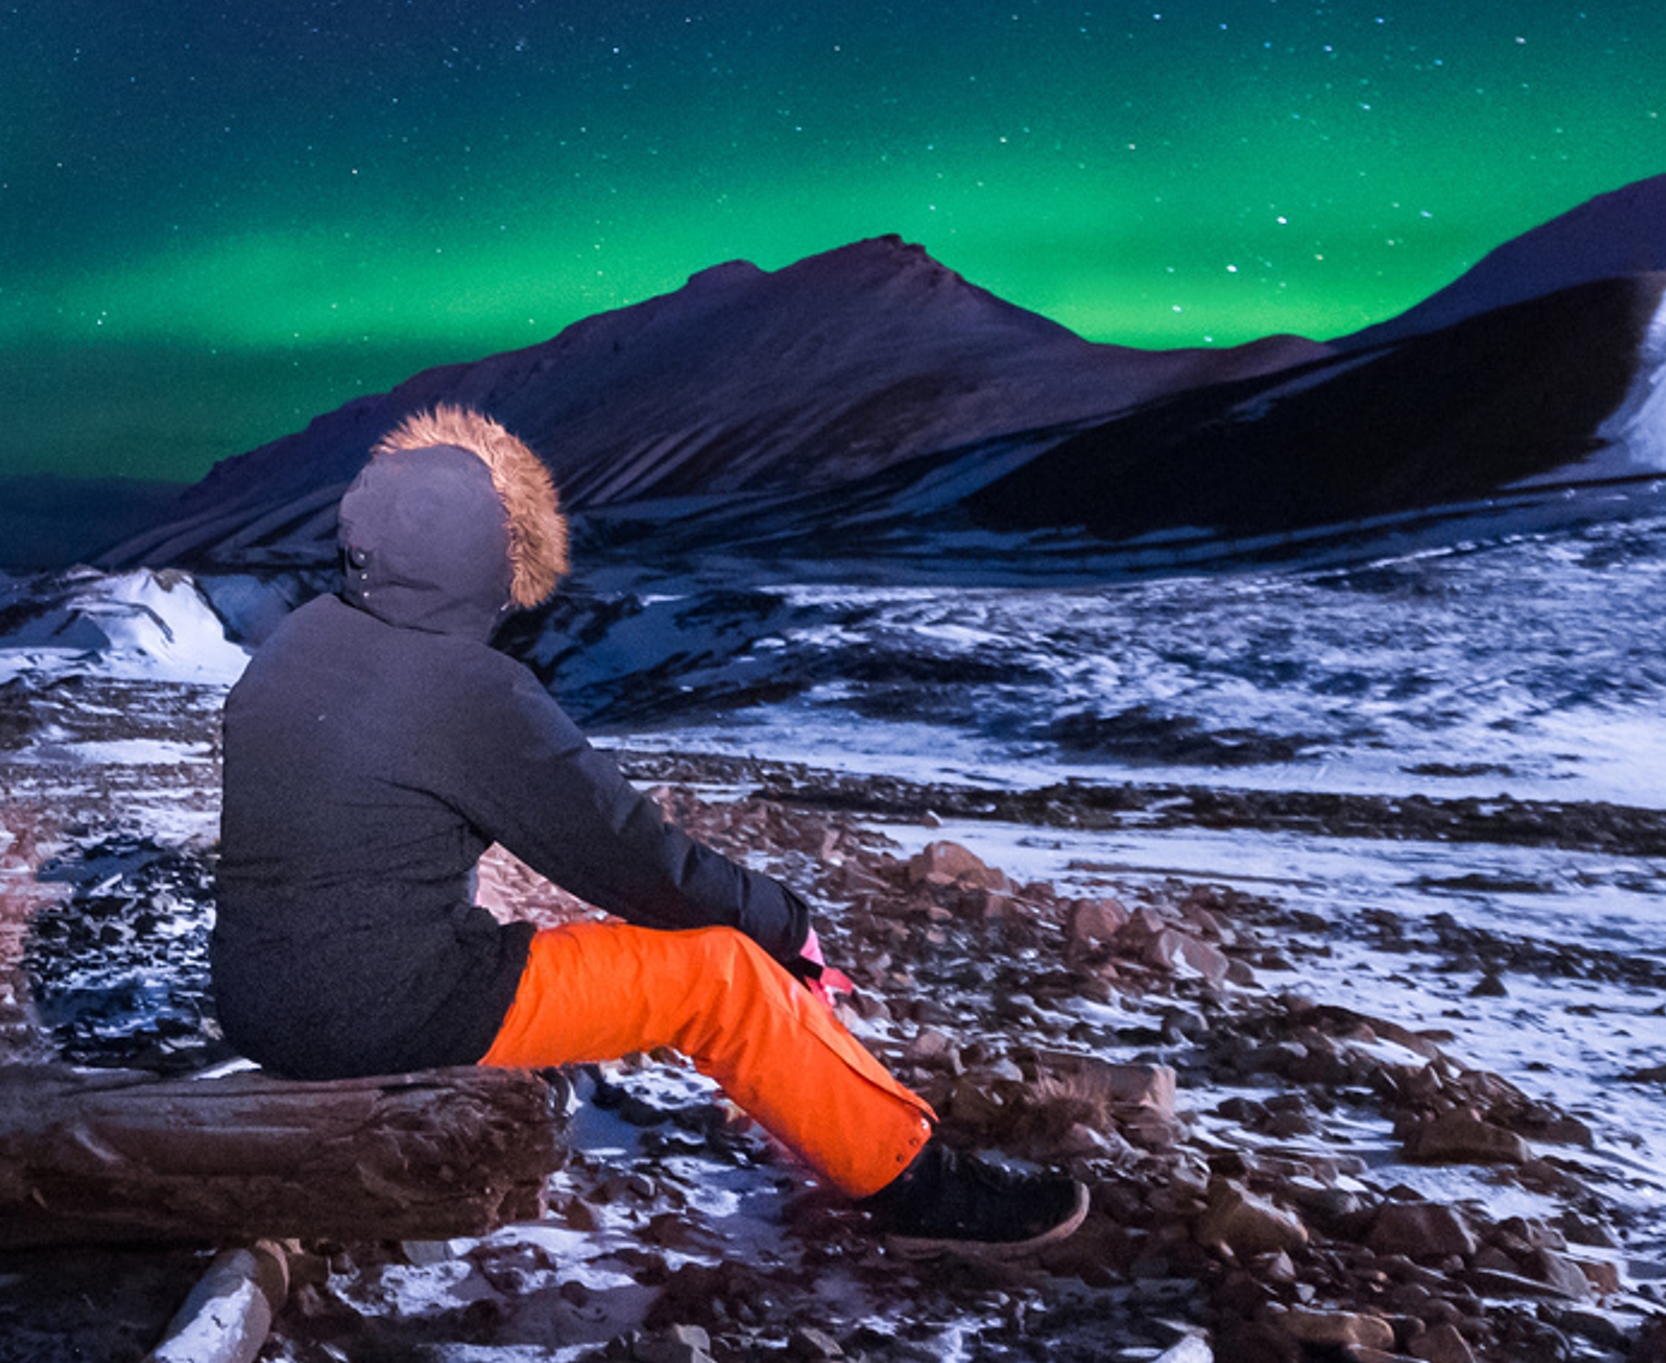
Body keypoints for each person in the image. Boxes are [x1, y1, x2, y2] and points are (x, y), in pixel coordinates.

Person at [210, 404, 1087, 1252]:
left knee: (579, 952)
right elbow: (635, 860)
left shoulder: (302, 638)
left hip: (259, 1000)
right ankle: (920, 1187)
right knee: (722, 978)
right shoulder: (470, 690)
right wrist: (783, 924)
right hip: (383, 1014)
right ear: (491, 557)